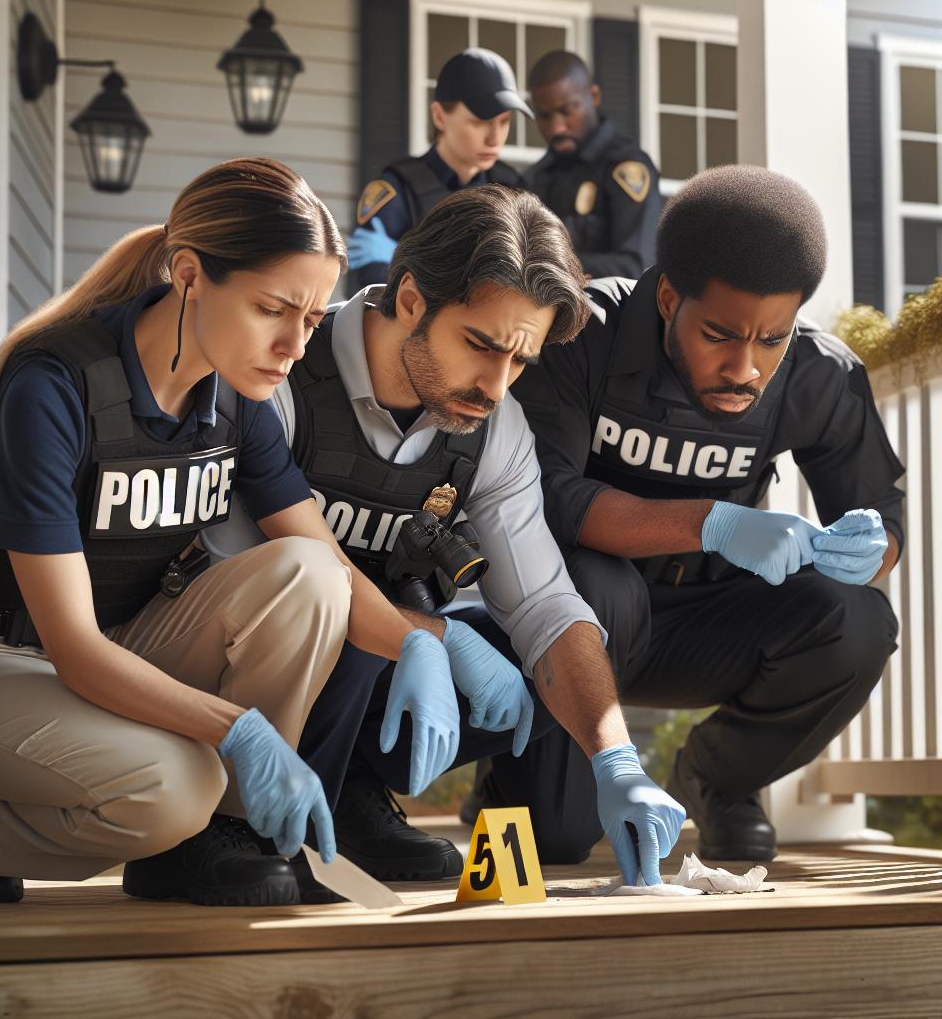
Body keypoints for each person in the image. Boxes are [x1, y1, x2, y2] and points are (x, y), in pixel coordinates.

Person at [0, 158, 522, 908]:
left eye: (310, 319)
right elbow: (71, 647)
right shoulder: (55, 388)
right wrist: (240, 731)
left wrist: (429, 643)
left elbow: (326, 566)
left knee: (306, 571)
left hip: (117, 647)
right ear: (190, 275)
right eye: (274, 309)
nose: (296, 345)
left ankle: (225, 843)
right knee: (175, 787)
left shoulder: (238, 403)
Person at [206, 184, 686, 888]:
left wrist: (616, 760)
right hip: (236, 671)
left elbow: (544, 603)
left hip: (366, 669)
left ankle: (352, 794)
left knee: (556, 646)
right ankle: (229, 823)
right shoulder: (280, 379)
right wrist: (432, 638)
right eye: (481, 345)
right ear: (410, 300)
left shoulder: (495, 428)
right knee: (331, 602)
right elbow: (237, 577)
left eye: (519, 362)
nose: (496, 385)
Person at [480, 164, 902, 862]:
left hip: (710, 624)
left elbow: (885, 516)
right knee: (554, 837)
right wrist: (710, 520)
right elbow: (544, 499)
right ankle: (515, 781)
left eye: (773, 338)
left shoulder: (821, 374)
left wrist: (872, 546)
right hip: (579, 622)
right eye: (721, 334)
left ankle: (717, 781)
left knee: (858, 620)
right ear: (669, 296)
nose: (747, 366)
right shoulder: (580, 335)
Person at [346, 47, 529, 288]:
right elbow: (371, 294)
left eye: (504, 122)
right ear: (439, 116)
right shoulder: (396, 191)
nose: (495, 138)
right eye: (480, 122)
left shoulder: (513, 190)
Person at [526, 50, 661, 281]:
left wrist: (548, 264)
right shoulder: (537, 177)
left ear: (594, 95)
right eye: (544, 116)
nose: (557, 127)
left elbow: (636, 266)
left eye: (567, 111)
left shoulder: (626, 168)